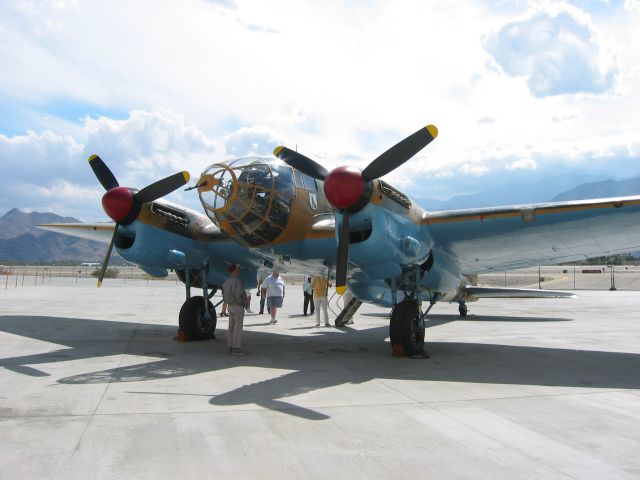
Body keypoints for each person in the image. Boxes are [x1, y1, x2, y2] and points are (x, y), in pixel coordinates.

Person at [222, 264, 248, 355]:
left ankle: (230, 345)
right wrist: (243, 304)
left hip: (230, 305)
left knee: (231, 327)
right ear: (234, 271)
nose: (238, 272)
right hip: (237, 306)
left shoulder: (226, 282)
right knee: (238, 327)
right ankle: (236, 348)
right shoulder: (237, 281)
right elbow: (239, 294)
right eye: (237, 270)